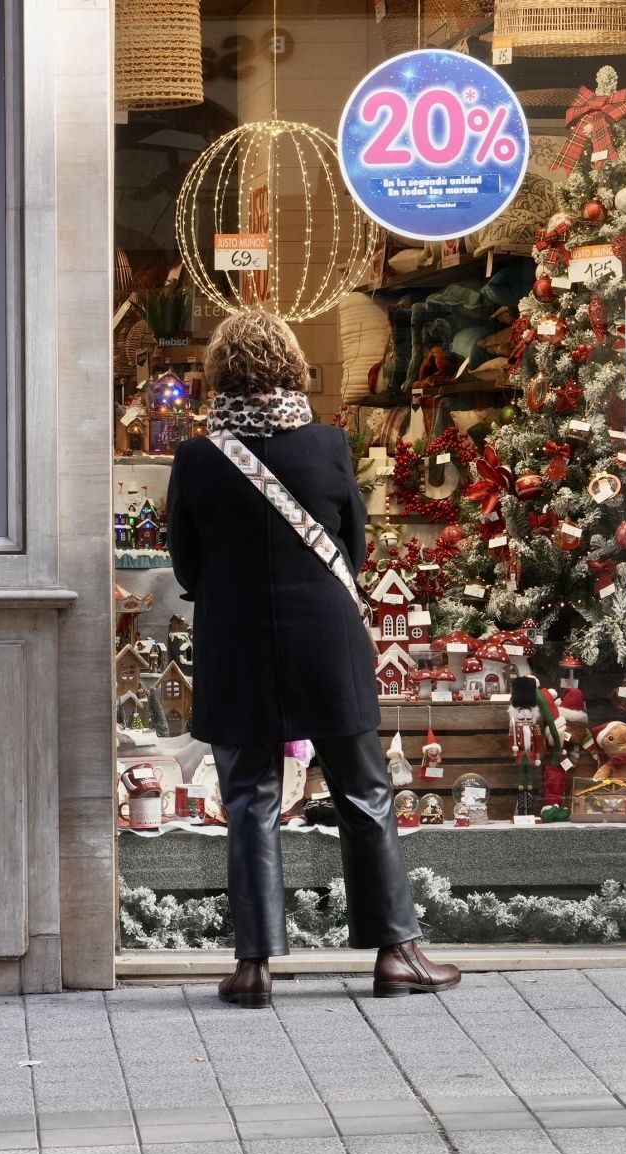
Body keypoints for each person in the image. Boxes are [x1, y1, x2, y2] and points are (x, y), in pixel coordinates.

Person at [166, 311, 459, 1007]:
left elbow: (184, 566)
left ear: (219, 374)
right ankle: (396, 953)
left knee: (249, 800)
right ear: (293, 368)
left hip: (236, 641)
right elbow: (352, 552)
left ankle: (255, 966)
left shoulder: (198, 458)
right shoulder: (327, 446)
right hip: (327, 640)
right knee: (363, 792)